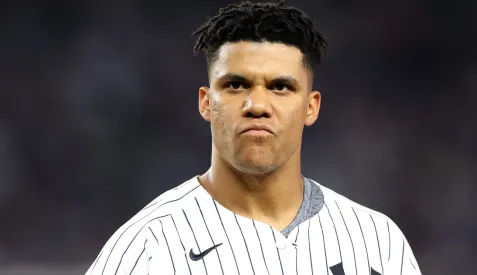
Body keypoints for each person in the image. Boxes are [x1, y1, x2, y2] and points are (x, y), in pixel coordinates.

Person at [86, 1, 422, 274]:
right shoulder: (148, 248)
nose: (257, 105)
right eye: (235, 85)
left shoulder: (378, 242)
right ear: (205, 102)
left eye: (280, 87)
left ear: (311, 106)